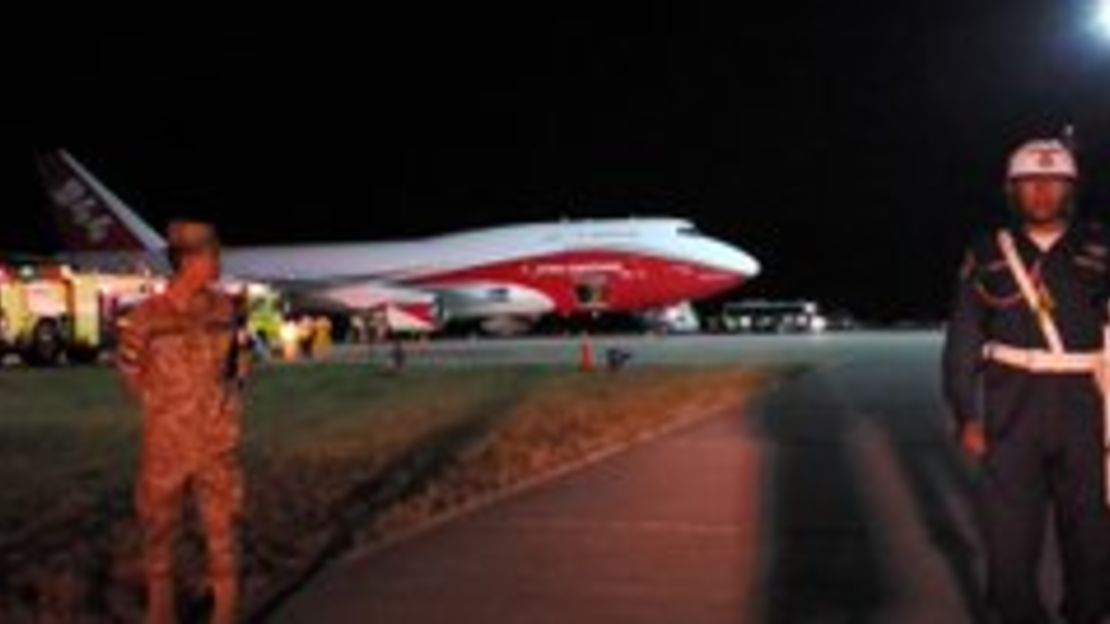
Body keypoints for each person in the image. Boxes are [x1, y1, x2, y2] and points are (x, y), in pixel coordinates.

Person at [943, 138, 1110, 623]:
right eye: (1030, 184)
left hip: (1087, 407)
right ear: (1012, 191)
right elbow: (964, 337)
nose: (1041, 193)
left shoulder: (1101, 247)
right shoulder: (986, 251)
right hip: (1013, 407)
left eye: (1053, 183)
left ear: (1070, 190)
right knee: (1009, 537)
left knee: (1092, 534)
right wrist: (965, 412)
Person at [116, 220, 249, 624]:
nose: (219, 262)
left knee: (222, 527)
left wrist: (225, 406)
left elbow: (239, 366)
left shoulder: (225, 310)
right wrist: (167, 410)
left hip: (216, 441)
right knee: (158, 529)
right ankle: (161, 611)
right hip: (167, 445)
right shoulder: (146, 317)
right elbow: (130, 373)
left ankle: (225, 610)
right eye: (213, 254)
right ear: (188, 260)